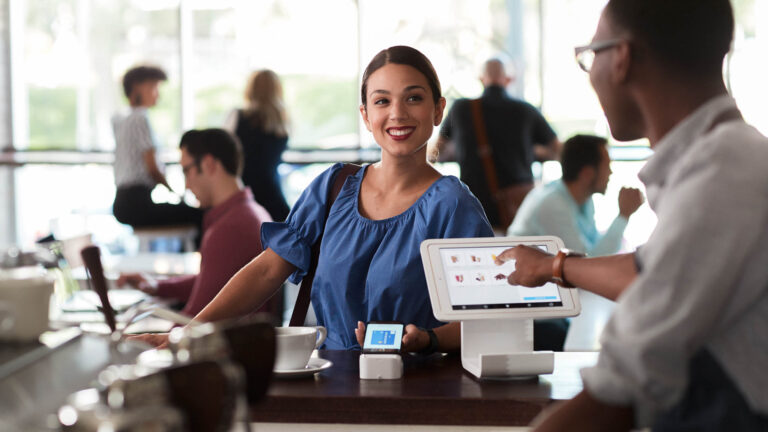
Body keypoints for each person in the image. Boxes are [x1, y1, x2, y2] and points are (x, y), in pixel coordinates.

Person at [496, 1, 768, 431]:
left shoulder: (722, 176)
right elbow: (648, 271)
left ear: (620, 57)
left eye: (590, 56)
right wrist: (555, 266)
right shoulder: (727, 162)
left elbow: (621, 388)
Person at [131, 46, 494, 352]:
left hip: (419, 394)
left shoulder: (454, 207)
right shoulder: (334, 187)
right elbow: (266, 269)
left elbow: (487, 321)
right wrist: (187, 334)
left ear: (438, 110)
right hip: (329, 386)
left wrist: (427, 340)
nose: (397, 113)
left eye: (413, 98)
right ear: (366, 116)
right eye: (382, 101)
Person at [117, 129, 274, 319]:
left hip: (226, 346)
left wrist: (141, 338)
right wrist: (157, 286)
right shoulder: (253, 212)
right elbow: (213, 283)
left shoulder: (230, 227)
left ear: (208, 164)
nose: (186, 185)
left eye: (186, 171)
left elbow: (193, 322)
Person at [435, 58, 560, 230]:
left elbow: (437, 150)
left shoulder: (461, 108)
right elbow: (556, 149)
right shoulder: (525, 110)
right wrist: (531, 151)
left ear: (481, 79)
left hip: (474, 204)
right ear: (508, 80)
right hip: (517, 208)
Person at [509, 134, 644, 257]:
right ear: (587, 173)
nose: (610, 173)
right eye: (607, 166)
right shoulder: (552, 204)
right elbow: (587, 262)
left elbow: (594, 247)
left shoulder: (584, 199)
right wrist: (623, 215)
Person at [112, 65, 203, 232]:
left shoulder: (119, 118)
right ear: (137, 87)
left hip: (122, 201)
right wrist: (175, 193)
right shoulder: (140, 118)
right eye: (154, 87)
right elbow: (152, 168)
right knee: (199, 215)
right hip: (136, 202)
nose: (157, 94)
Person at [224, 69, 291, 222]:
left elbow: (222, 150)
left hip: (243, 195)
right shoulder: (282, 123)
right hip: (273, 196)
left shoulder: (238, 116)